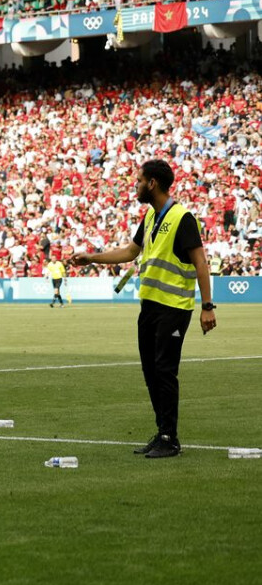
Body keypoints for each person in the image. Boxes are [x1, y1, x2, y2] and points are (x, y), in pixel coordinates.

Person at [71, 159, 216, 459]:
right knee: (151, 372)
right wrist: (92, 258)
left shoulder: (182, 217)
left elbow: (201, 262)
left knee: (165, 370)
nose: (135, 185)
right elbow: (130, 251)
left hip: (174, 308)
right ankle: (162, 431)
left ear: (152, 183)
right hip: (149, 308)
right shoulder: (150, 217)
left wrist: (207, 306)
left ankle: (169, 438)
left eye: (139, 180)